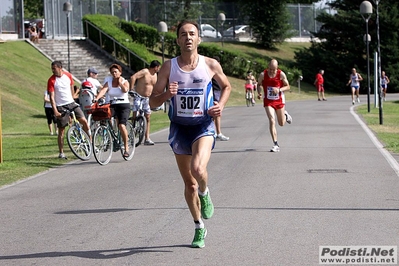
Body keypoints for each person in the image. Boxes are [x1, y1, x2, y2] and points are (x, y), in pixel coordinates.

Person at [149, 20, 231, 248]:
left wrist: (220, 105)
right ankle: (199, 227)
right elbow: (152, 101)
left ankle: (205, 193)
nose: (188, 38)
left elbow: (227, 86)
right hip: (179, 128)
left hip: (203, 125)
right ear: (177, 40)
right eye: (183, 34)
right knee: (189, 184)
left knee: (198, 169)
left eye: (192, 34)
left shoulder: (210, 64)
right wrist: (167, 94)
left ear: (199, 39)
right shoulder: (168, 67)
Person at [47, 61, 91, 159]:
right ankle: (61, 153)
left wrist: (73, 98)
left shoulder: (68, 76)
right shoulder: (51, 80)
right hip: (60, 106)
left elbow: (71, 87)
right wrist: (55, 110)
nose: (53, 70)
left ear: (60, 68)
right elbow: (52, 97)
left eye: (54, 68)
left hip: (71, 103)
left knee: (84, 121)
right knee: (62, 130)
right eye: (52, 68)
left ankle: (90, 142)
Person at [93, 63, 131, 158]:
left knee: (121, 125)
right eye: (112, 72)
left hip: (123, 105)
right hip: (113, 104)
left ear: (120, 72)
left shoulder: (125, 81)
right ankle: (110, 137)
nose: (114, 74)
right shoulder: (109, 82)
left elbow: (125, 90)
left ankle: (126, 147)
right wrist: (97, 98)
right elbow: (103, 90)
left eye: (116, 72)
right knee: (106, 117)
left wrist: (120, 83)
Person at [257, 59, 292, 153]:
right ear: (268, 66)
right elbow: (259, 84)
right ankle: (275, 144)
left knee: (281, 123)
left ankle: (285, 115)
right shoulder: (263, 74)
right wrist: (259, 93)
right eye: (270, 69)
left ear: (277, 68)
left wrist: (279, 89)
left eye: (274, 69)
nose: (272, 71)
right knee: (272, 120)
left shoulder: (281, 74)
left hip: (279, 100)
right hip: (268, 101)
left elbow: (288, 86)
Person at [129, 60, 161, 145]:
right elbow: (133, 77)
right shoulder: (145, 72)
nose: (159, 69)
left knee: (148, 117)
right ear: (156, 67)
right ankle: (132, 133)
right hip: (139, 96)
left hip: (147, 98)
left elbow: (154, 88)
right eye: (159, 67)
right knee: (135, 114)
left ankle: (147, 138)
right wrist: (131, 89)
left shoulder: (155, 76)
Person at [212, 56, 229, 141]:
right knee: (216, 112)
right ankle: (217, 133)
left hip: (218, 91)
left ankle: (216, 132)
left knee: (216, 113)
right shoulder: (211, 69)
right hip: (213, 92)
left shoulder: (219, 70)